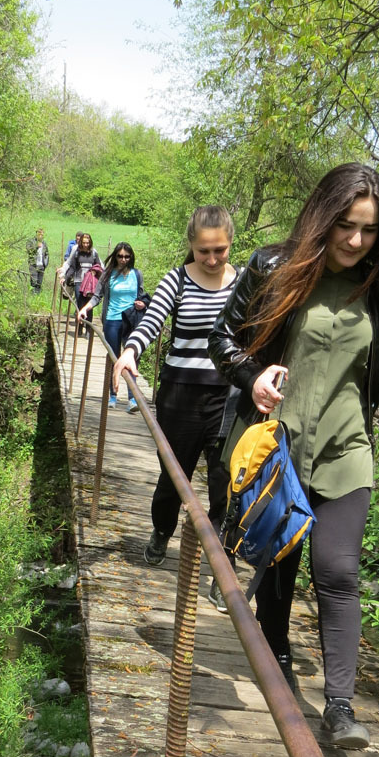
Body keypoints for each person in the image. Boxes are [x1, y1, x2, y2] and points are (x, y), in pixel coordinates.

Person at [208, 163, 379, 746]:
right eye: (347, 226)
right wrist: (253, 378)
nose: (357, 241)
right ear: (325, 218)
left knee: (337, 570)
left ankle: (340, 708)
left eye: (370, 230)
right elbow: (222, 342)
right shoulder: (272, 266)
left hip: (346, 451)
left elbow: (375, 376)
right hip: (280, 450)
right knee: (278, 568)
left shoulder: (378, 289)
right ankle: (277, 656)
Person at [112, 207, 240, 592]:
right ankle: (162, 530)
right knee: (173, 476)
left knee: (227, 484)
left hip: (230, 398)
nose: (213, 259)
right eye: (204, 251)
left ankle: (224, 565)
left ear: (231, 243)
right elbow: (152, 319)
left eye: (220, 250)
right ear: (191, 245)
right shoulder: (178, 280)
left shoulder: (245, 283)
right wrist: (132, 350)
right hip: (181, 396)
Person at [77, 243, 146, 409]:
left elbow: (142, 296)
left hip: (131, 320)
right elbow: (96, 296)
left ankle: (132, 399)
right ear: (115, 256)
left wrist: (141, 304)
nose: (123, 259)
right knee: (113, 358)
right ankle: (113, 396)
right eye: (120, 256)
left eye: (126, 256)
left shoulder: (137, 274)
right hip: (112, 320)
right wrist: (84, 309)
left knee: (131, 359)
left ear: (131, 257)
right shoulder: (108, 274)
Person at [63, 232, 101, 335]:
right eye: (84, 243)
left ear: (90, 242)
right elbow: (72, 267)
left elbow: (99, 266)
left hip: (90, 284)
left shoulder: (94, 253)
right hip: (79, 282)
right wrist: (65, 278)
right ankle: (79, 328)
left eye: (87, 243)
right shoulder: (76, 252)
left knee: (89, 306)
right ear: (80, 242)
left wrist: (95, 271)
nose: (85, 245)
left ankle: (88, 330)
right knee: (80, 305)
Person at [27, 228, 49, 294]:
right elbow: (29, 251)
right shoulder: (31, 241)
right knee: (34, 282)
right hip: (33, 265)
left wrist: (46, 264)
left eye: (42, 234)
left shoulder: (44, 243)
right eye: (39, 234)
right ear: (36, 233)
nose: (41, 235)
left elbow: (47, 254)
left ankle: (37, 297)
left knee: (39, 283)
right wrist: (36, 247)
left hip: (41, 265)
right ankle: (32, 296)